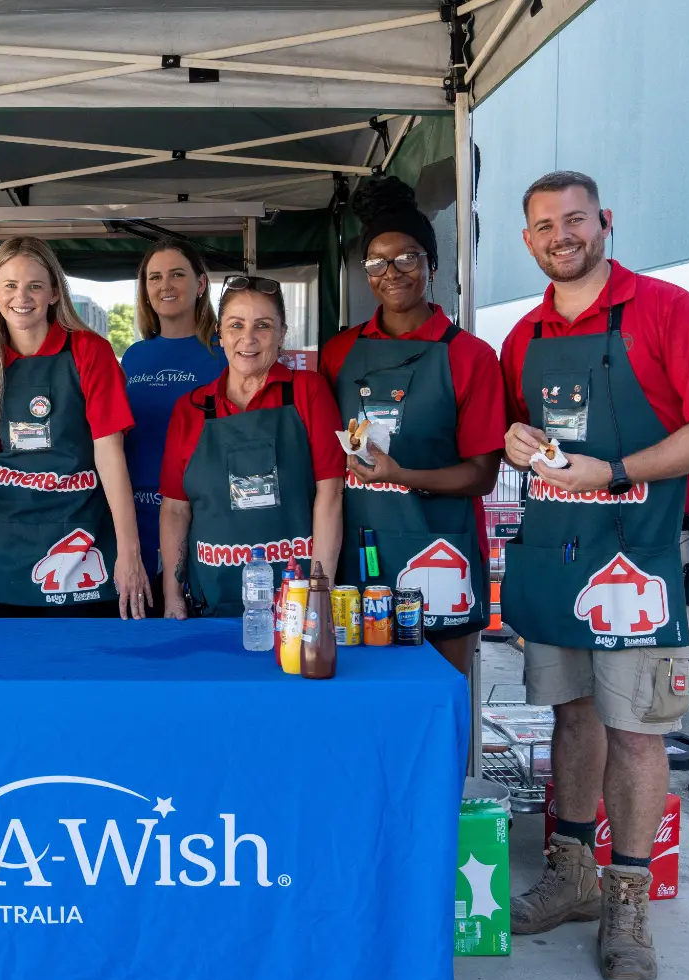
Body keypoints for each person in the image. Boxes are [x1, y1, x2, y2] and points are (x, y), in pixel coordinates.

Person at [500, 171, 689, 980]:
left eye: (574, 220)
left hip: (639, 559)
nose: (560, 236)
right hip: (556, 553)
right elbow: (516, 427)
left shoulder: (667, 311)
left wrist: (616, 471)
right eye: (544, 226)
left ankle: (627, 896)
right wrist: (516, 442)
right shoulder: (523, 336)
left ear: (603, 222)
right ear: (528, 240)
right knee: (572, 720)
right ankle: (571, 873)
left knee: (638, 730)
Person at [320, 175, 505, 677]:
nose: (391, 271)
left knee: (441, 697)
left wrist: (402, 475)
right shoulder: (338, 354)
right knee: (364, 699)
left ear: (432, 264)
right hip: (361, 555)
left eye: (406, 257)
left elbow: (481, 475)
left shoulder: (471, 357)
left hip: (442, 548)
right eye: (377, 261)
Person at [0, 236, 149, 618]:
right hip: (3, 552)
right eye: (10, 285)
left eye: (34, 285)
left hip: (83, 542)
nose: (21, 296)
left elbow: (110, 455)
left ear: (55, 293)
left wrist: (130, 554)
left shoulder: (88, 351)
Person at [159, 276, 345, 616]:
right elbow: (175, 509)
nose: (248, 338)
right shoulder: (191, 408)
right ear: (220, 332)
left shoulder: (308, 392)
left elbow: (330, 494)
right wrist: (172, 595)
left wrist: (320, 593)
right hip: (211, 600)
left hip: (294, 603)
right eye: (236, 325)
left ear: (282, 333)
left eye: (263, 326)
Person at [120, 239, 225, 614]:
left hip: (205, 521)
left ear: (200, 284)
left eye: (177, 274)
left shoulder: (226, 353)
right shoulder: (134, 357)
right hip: (140, 521)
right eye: (155, 277)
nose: (165, 285)